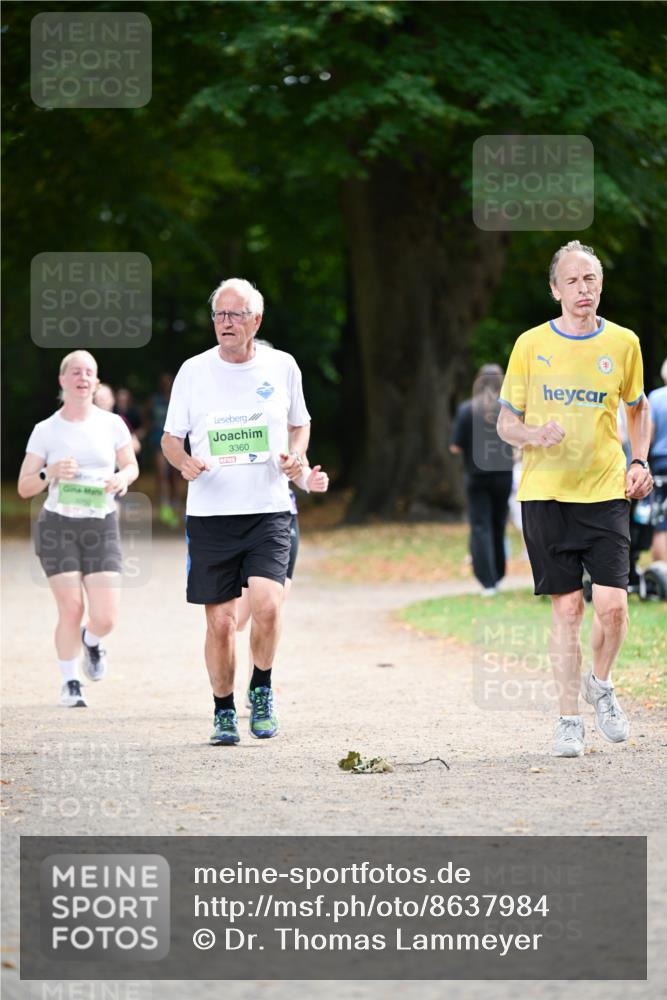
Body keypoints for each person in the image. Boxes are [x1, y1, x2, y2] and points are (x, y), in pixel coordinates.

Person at [497, 240, 653, 758]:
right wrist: (534, 434)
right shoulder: (529, 344)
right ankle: (569, 720)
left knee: (612, 607)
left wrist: (639, 460)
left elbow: (638, 408)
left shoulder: (625, 343)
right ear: (555, 289)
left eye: (590, 279)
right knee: (567, 610)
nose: (582, 289)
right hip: (546, 494)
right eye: (572, 281)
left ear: (600, 285)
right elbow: (505, 422)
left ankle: (601, 685)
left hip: (606, 489)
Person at [161, 277, 311, 745]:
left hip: (267, 509)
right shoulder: (193, 371)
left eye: (235, 315)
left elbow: (299, 425)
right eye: (219, 315)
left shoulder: (282, 366)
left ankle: (261, 689)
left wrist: (295, 458)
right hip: (210, 513)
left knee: (267, 604)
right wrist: (183, 462)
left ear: (256, 321)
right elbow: (170, 439)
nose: (225, 323)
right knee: (221, 621)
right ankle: (223, 710)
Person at [17, 351, 139, 707]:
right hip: (58, 526)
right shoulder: (46, 430)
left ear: (96, 382)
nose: (83, 377)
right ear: (63, 381)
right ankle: (70, 682)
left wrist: (121, 478)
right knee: (71, 607)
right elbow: (26, 486)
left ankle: (93, 641)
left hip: (101, 525)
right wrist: (49, 472)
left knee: (106, 616)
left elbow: (131, 466)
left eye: (89, 372)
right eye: (75, 372)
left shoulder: (113, 424)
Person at [238, 465, 329, 705]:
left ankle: (256, 686)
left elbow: (299, 466)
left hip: (281, 518)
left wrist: (310, 480)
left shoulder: (293, 428)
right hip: (234, 517)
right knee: (237, 619)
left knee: (270, 606)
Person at [450, 364, 514, 595]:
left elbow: (455, 446)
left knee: (480, 526)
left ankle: (486, 582)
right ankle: (498, 574)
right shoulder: (507, 411)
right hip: (503, 477)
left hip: (476, 477)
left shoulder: (467, 410)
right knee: (498, 525)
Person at [146, 373, 180, 526]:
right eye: (163, 382)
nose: (166, 385)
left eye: (168, 382)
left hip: (176, 441)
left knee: (175, 474)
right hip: (158, 439)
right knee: (162, 473)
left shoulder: (178, 399)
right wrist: (149, 428)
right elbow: (144, 414)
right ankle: (164, 504)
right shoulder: (154, 400)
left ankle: (175, 504)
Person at [648, 359, 667, 560]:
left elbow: (649, 435)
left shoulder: (655, 397)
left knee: (660, 522)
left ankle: (662, 573)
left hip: (661, 464)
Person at [95, 383, 142, 455]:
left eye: (106, 397)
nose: (103, 401)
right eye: (99, 398)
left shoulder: (119, 420)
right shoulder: (85, 421)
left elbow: (136, 446)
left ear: (113, 400)